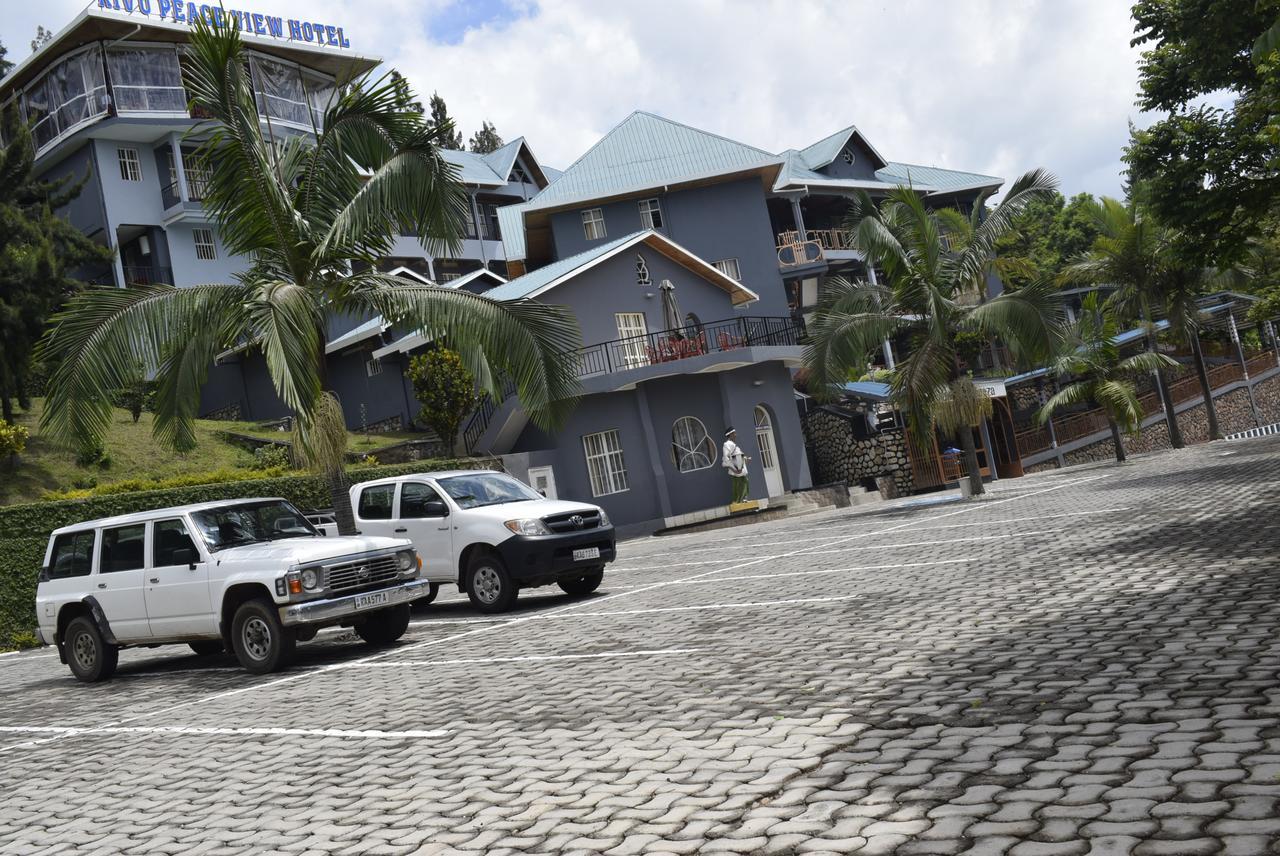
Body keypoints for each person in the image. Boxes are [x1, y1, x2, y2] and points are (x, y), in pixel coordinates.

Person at [722, 427, 751, 504]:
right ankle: (737, 501)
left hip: (740, 469)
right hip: (736, 470)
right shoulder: (727, 445)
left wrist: (745, 459)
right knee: (738, 485)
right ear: (730, 434)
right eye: (734, 433)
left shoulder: (733, 445)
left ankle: (743, 499)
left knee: (744, 483)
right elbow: (726, 458)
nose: (736, 435)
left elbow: (738, 456)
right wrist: (733, 469)